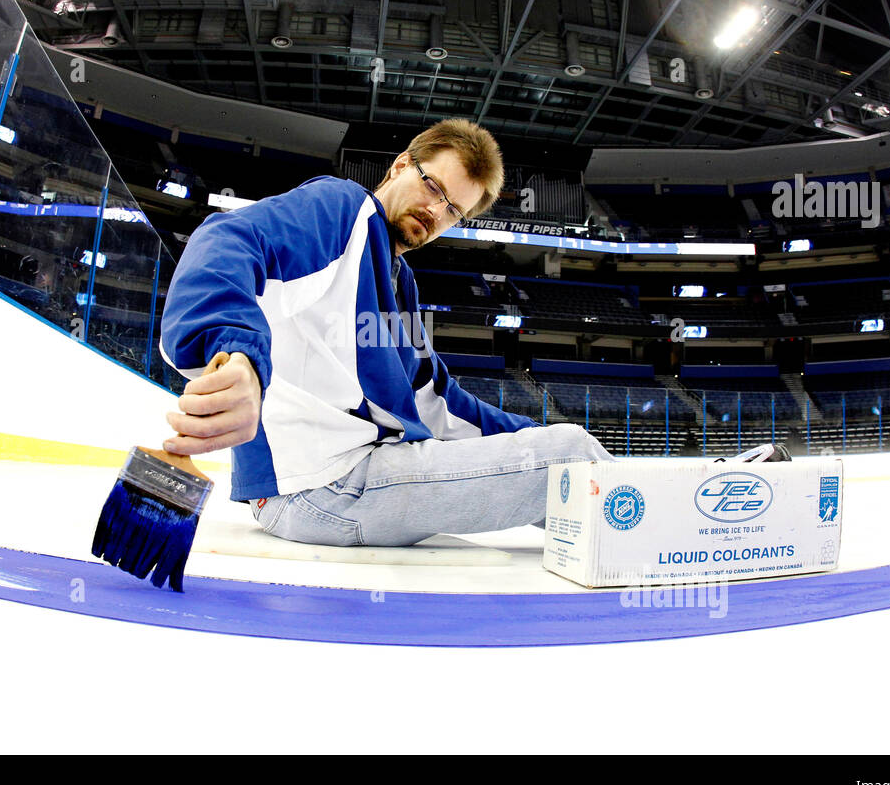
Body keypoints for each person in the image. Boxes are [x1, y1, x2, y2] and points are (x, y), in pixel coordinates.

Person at [158, 119, 612, 547]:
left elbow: (434, 402)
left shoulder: (400, 282)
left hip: (337, 486)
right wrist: (238, 353)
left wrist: (529, 436)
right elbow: (228, 240)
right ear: (400, 165)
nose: (436, 210)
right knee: (571, 455)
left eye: (454, 210)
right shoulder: (343, 208)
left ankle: (619, 536)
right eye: (433, 187)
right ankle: (648, 531)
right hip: (326, 484)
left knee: (562, 445)